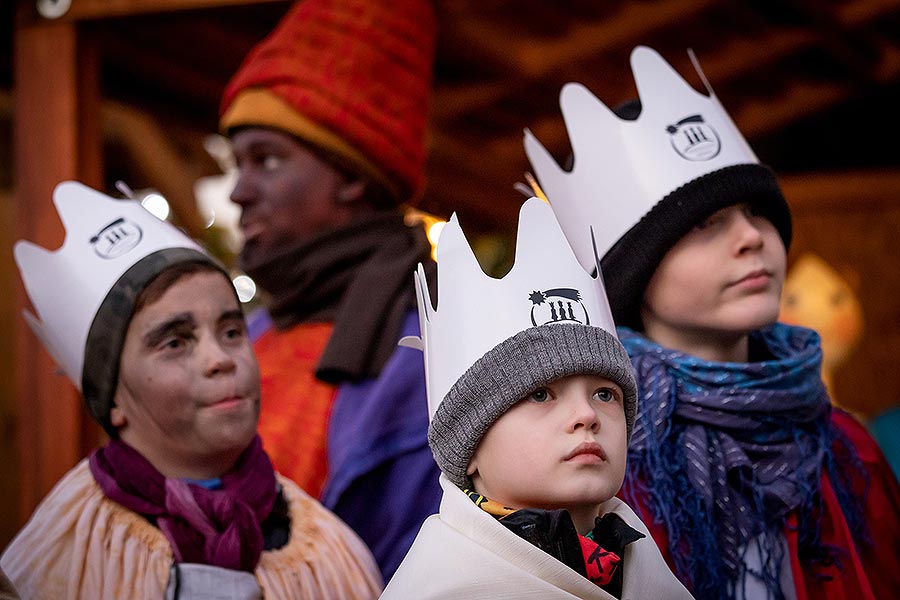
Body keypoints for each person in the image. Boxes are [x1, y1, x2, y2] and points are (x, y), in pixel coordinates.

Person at [526, 46, 900, 600]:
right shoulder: (597, 463)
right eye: (705, 223)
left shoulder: (848, 449)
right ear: (636, 276)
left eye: (756, 212)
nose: (752, 236)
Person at [1, 181, 382, 599]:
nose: (219, 358)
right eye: (175, 342)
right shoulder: (60, 554)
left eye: (232, 331)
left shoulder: (329, 552)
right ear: (113, 399)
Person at [218, 0, 440, 580]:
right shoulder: (252, 334)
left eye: (266, 159)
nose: (239, 191)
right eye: (237, 163)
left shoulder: (436, 348)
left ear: (352, 177)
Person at [382, 197, 694, 599]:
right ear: (468, 444)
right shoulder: (447, 590)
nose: (586, 415)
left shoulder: (643, 567)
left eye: (605, 393)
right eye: (541, 394)